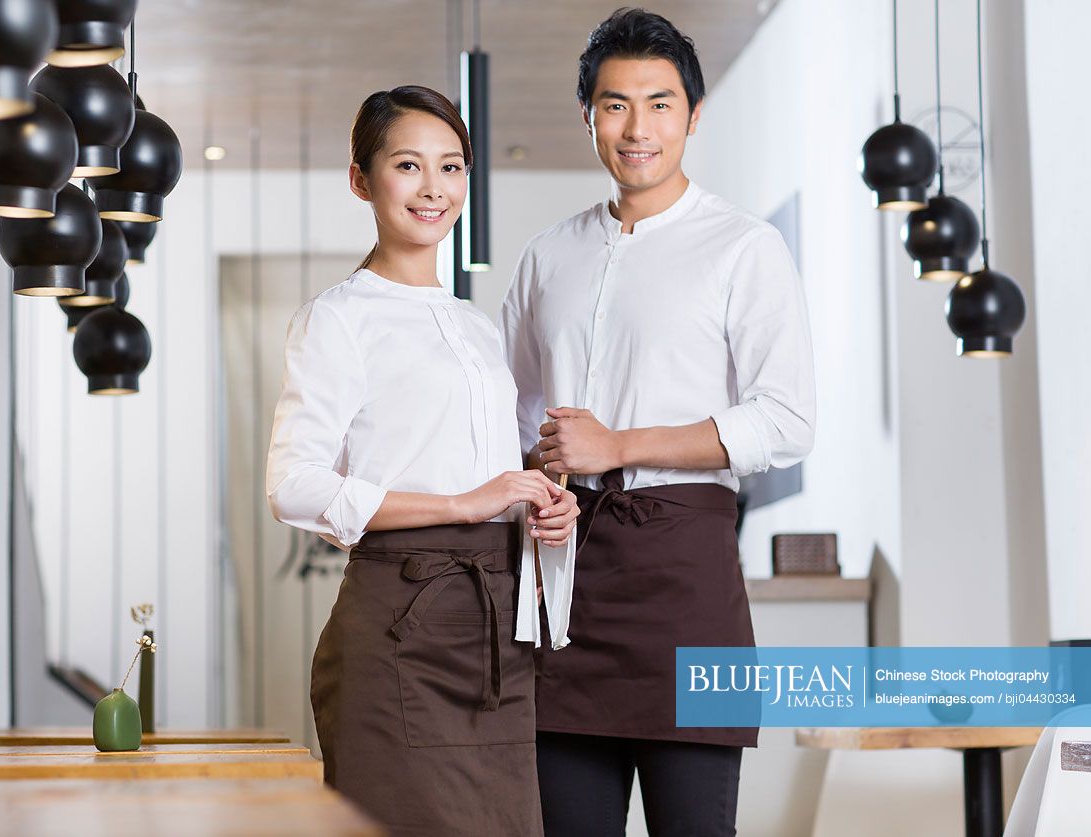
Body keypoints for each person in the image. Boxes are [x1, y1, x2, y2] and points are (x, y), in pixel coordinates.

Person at [500, 9, 816, 836]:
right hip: (566, 587)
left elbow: (786, 422)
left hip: (689, 580)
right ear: (588, 117)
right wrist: (538, 478)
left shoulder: (744, 249)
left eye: (659, 103)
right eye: (614, 104)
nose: (636, 128)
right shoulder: (547, 257)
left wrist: (620, 445)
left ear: (693, 114)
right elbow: (511, 414)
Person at [266, 85, 579, 837]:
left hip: (499, 630)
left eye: (451, 166)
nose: (433, 188)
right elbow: (292, 486)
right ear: (361, 179)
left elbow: (491, 471)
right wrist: (462, 502)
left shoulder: (477, 327)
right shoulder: (338, 318)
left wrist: (542, 503)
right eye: (408, 165)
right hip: (398, 627)